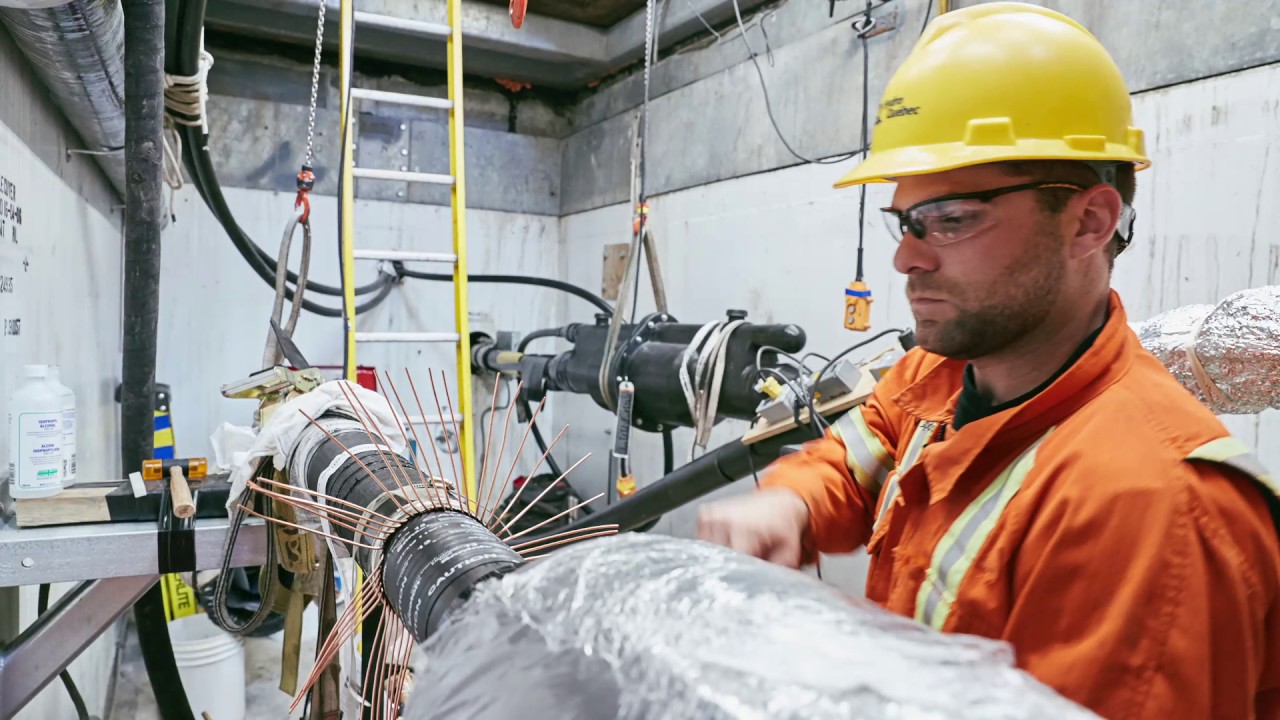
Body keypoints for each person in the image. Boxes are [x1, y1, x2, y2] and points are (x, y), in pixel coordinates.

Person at [695, 4, 1280, 718]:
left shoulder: (1153, 509)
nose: (906, 257)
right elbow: (862, 450)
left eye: (951, 219)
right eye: (906, 223)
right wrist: (791, 502)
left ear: (1089, 223)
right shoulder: (945, 373)